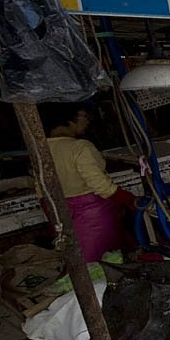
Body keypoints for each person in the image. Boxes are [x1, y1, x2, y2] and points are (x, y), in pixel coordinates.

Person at [41, 103, 137, 263]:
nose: (88, 121)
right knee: (108, 261)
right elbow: (101, 186)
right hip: (94, 218)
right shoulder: (79, 147)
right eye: (85, 116)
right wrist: (130, 200)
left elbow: (41, 191)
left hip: (61, 218)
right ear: (73, 118)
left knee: (80, 263)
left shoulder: (39, 150)